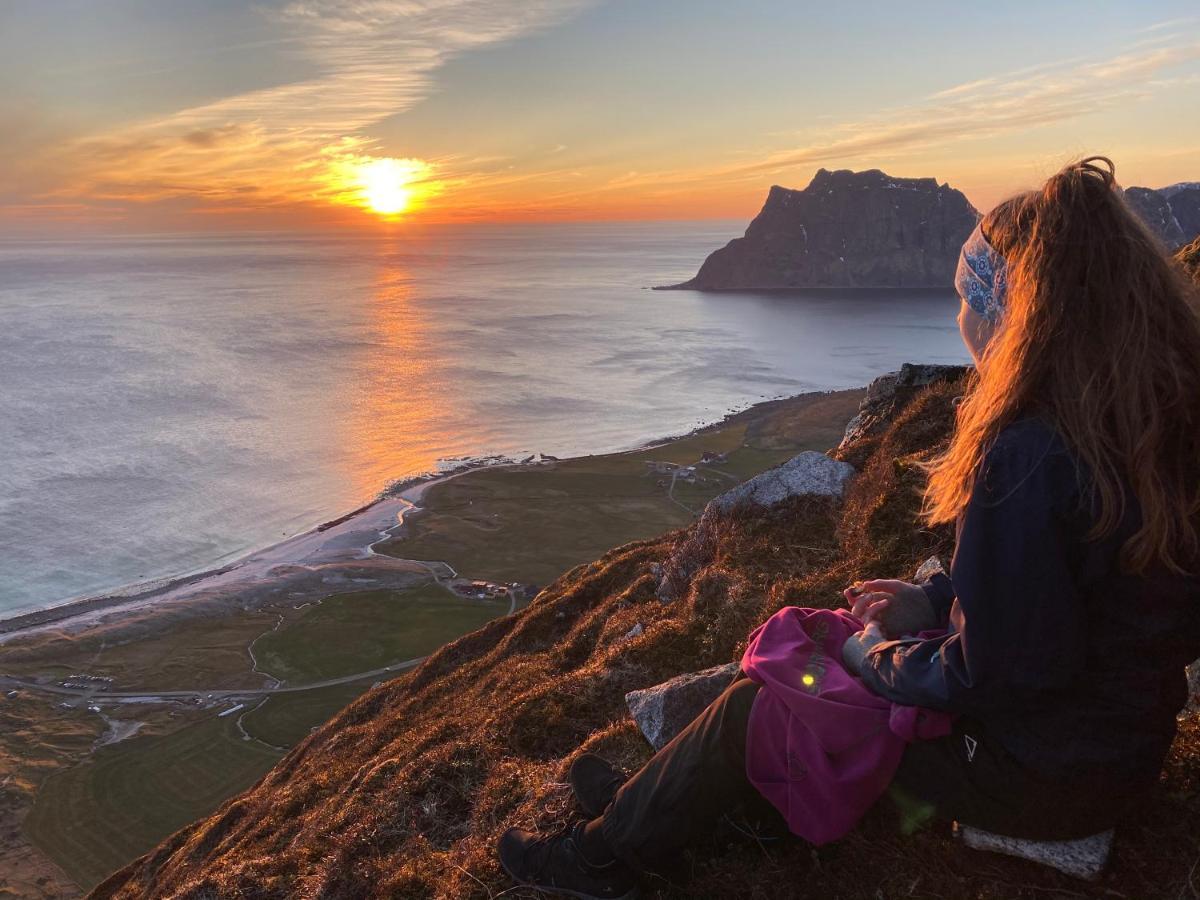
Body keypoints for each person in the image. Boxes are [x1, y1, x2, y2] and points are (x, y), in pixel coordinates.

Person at [497, 157, 1200, 900]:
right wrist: (932, 606)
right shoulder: (1150, 412)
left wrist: (879, 656)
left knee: (768, 703)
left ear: (1014, 314)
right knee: (816, 652)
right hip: (1110, 748)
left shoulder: (1027, 449)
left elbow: (996, 672)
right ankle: (652, 799)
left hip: (1035, 772)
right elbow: (1075, 596)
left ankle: (601, 860)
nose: (961, 317)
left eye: (969, 297)